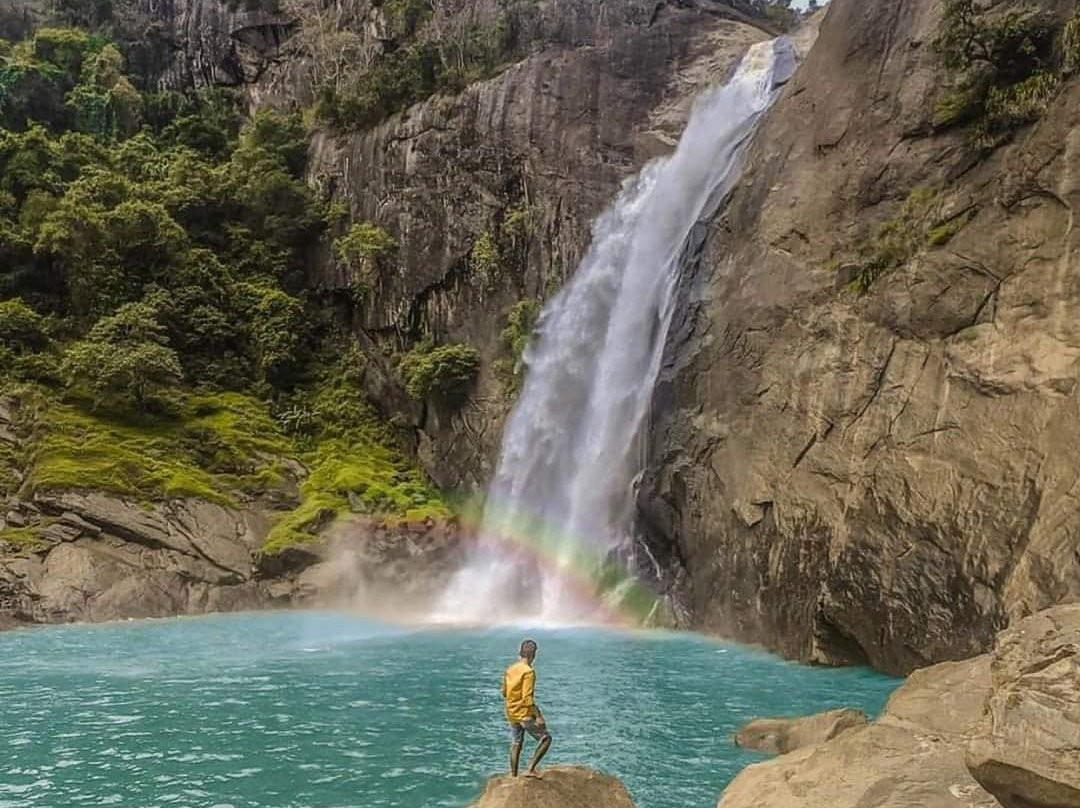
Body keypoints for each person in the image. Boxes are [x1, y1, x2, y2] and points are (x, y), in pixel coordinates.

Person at [501, 638, 552, 778]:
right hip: (524, 714)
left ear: (520, 652)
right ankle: (530, 769)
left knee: (516, 743)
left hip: (511, 713)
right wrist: (539, 716)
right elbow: (527, 698)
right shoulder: (528, 672)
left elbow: (504, 692)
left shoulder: (510, 669)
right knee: (546, 739)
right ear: (533, 655)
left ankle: (513, 775)